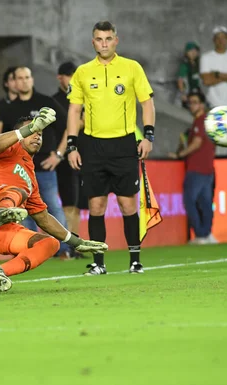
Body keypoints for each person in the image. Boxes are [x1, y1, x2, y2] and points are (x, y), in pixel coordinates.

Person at [0, 109, 108, 292]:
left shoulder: (31, 180)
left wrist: (76, 242)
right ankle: (2, 211)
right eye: (32, 132)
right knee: (18, 191)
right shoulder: (10, 148)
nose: (36, 136)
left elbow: (43, 218)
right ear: (21, 134)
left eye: (40, 133)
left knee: (50, 243)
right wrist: (26, 129)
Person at [66, 21, 156, 275]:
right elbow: (74, 110)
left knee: (128, 206)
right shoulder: (83, 72)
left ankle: (135, 261)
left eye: (108, 38)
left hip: (124, 144)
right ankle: (98, 263)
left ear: (117, 40)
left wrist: (148, 135)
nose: (103, 43)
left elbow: (146, 104)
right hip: (92, 146)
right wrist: (72, 144)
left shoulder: (131, 68)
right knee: (96, 207)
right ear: (92, 42)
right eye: (99, 39)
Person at [1, 66, 73, 259]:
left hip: (44, 166)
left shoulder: (46, 103)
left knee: (52, 207)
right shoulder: (8, 108)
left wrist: (58, 154)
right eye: (20, 78)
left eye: (27, 77)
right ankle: (32, 250)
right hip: (19, 169)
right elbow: (5, 138)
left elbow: (68, 128)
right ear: (14, 82)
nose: (24, 81)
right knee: (23, 212)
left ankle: (65, 249)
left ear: (32, 80)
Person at [168, 91, 217, 245]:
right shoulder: (209, 122)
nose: (192, 105)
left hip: (196, 168)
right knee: (205, 203)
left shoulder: (200, 121)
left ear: (202, 105)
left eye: (195, 102)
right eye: (190, 102)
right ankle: (207, 234)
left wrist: (179, 154)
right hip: (208, 169)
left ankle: (201, 234)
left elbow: (196, 143)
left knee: (190, 201)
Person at [51, 61, 84, 257]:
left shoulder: (82, 98)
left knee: (76, 203)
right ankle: (64, 245)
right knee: (63, 203)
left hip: (82, 154)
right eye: (69, 76)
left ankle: (74, 245)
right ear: (60, 78)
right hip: (61, 159)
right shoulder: (54, 101)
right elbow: (78, 123)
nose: (72, 80)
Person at [200, 26, 227, 108]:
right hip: (213, 103)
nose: (221, 41)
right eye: (218, 38)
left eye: (223, 38)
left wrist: (217, 74)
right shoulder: (206, 57)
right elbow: (207, 81)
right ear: (213, 40)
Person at [177, 42, 202, 109]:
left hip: (195, 92)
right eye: (191, 51)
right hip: (187, 93)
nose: (193, 53)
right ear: (186, 52)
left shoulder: (196, 64)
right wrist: (183, 94)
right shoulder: (185, 65)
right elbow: (180, 80)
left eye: (195, 51)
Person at [0, 66, 18, 134]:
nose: (16, 82)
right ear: (6, 83)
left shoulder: (30, 102)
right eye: (12, 79)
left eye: (18, 78)